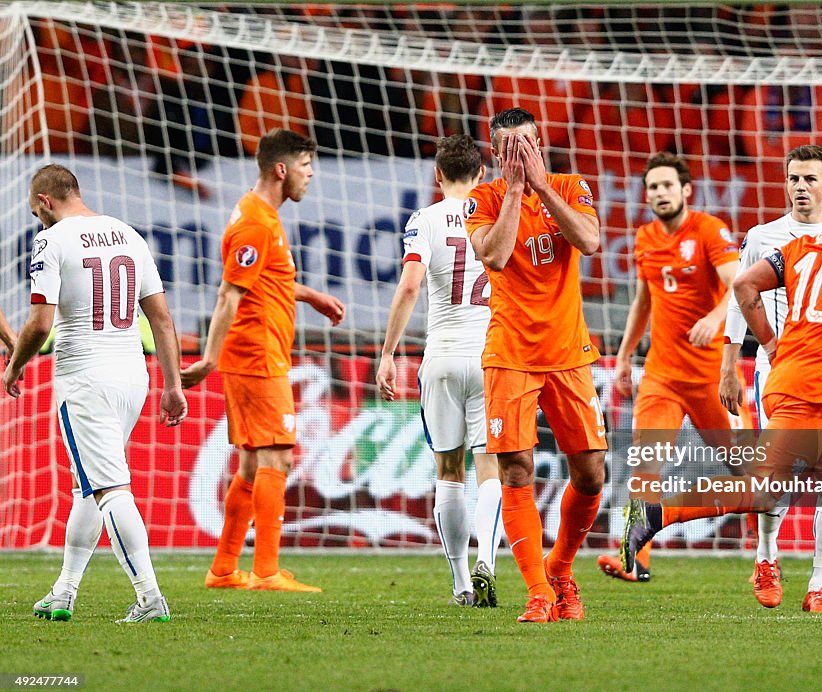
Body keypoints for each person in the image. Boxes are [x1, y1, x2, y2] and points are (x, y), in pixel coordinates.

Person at [622, 165, 822, 633]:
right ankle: (659, 511)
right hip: (816, 388)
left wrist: (769, 344)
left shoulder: (800, 246)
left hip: (787, 374)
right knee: (765, 489)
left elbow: (743, 286)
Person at [4, 164, 187, 622]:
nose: (37, 223)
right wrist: (173, 384)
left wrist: (14, 364)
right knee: (88, 486)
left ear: (45, 201)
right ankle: (64, 591)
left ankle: (150, 598)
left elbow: (40, 323)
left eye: (35, 213)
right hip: (134, 376)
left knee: (108, 488)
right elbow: (161, 319)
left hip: (86, 376)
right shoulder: (128, 234)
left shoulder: (52, 239)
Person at [182, 129, 346, 593]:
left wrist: (310, 295)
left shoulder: (261, 215)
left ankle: (223, 570)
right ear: (281, 169)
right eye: (305, 166)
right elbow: (228, 294)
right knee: (278, 456)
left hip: (259, 351)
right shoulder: (255, 222)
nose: (310, 175)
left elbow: (262, 280)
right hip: (255, 355)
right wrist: (209, 358)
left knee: (254, 465)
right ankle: (267, 570)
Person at [719, 145, 822, 613]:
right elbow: (737, 299)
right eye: (793, 179)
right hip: (781, 369)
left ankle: (819, 584)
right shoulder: (764, 236)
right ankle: (767, 558)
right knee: (779, 477)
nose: (800, 187)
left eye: (810, 179)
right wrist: (731, 366)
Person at [465, 107, 606, 623]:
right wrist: (515, 192)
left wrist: (542, 188)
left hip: (569, 353)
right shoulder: (480, 200)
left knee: (591, 473)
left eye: (527, 144)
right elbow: (496, 257)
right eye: (509, 148)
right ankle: (539, 593)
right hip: (511, 355)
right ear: (495, 153)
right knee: (516, 469)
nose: (520, 154)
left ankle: (561, 567)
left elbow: (590, 243)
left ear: (541, 142)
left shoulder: (571, 187)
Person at [594, 151, 745, 583]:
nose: (660, 193)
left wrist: (714, 319)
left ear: (685, 190)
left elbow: (739, 285)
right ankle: (634, 560)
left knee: (745, 469)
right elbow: (644, 299)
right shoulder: (645, 237)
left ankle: (765, 558)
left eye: (667, 185)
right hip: (661, 376)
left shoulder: (709, 230)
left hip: (712, 378)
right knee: (646, 463)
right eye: (653, 187)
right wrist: (624, 356)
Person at [375, 134, 504, 607]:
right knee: (490, 468)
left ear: (438, 175)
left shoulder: (424, 220)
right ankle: (487, 559)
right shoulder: (498, 214)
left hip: (443, 357)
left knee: (448, 471)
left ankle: (460, 584)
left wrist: (389, 353)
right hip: (492, 356)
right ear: (482, 175)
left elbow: (410, 286)